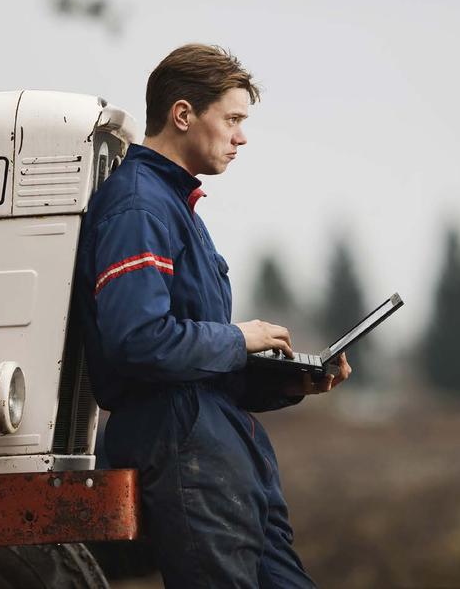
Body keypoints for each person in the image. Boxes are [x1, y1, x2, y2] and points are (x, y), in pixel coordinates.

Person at [75, 44, 351, 588]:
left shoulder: (172, 204)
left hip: (219, 444)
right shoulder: (139, 206)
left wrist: (294, 381)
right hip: (184, 445)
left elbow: (191, 362)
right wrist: (238, 337)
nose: (241, 137)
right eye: (232, 119)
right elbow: (138, 341)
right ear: (183, 115)